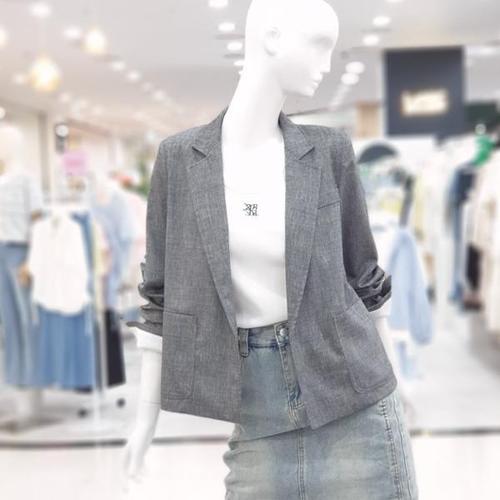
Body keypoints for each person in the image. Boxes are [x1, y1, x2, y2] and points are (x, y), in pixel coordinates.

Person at [123, 0, 419, 498]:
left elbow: (365, 280)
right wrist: (144, 420)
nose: (328, 62)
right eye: (319, 44)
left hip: (357, 402)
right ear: (273, 37)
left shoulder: (328, 152)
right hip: (256, 414)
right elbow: (159, 298)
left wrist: (397, 381)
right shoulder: (180, 159)